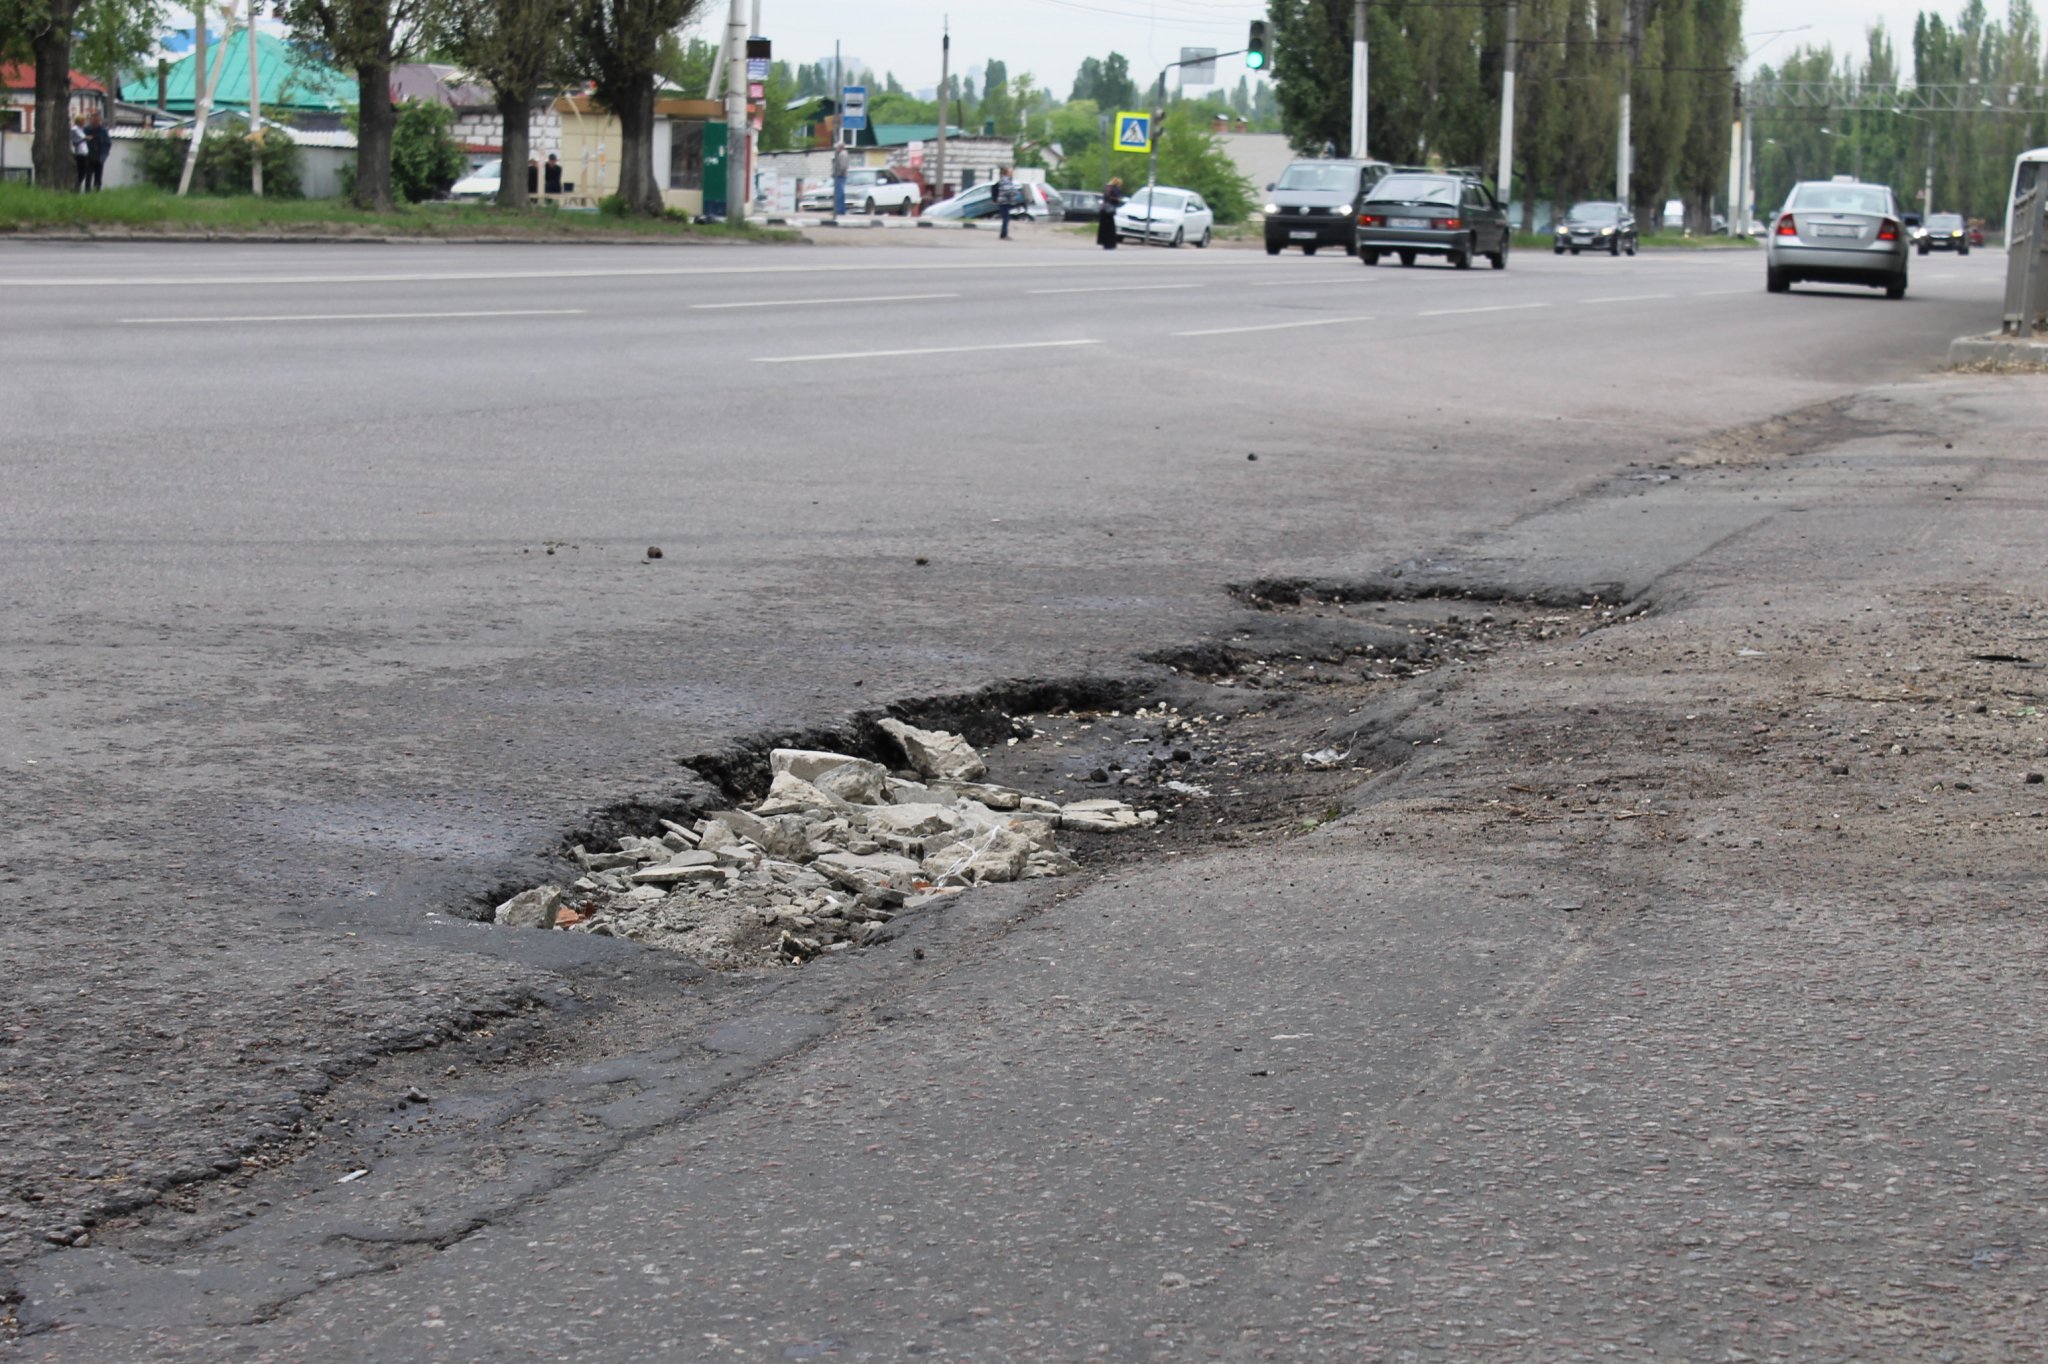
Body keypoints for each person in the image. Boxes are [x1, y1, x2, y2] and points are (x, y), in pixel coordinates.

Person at [83, 114, 109, 191]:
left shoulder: (103, 131)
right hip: (89, 156)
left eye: (97, 120)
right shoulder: (86, 130)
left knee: (98, 176)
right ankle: (87, 192)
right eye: (94, 120)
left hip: (99, 157)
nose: (95, 122)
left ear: (100, 120)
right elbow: (81, 140)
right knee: (88, 176)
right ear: (91, 120)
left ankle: (97, 192)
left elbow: (107, 143)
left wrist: (105, 154)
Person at [1097, 176, 1125, 249]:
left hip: (1106, 210)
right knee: (1108, 228)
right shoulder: (1110, 188)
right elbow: (1108, 196)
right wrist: (1116, 199)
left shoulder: (1110, 188)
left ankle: (1108, 243)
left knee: (1108, 228)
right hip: (1107, 210)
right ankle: (1108, 243)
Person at [994, 166, 1017, 239]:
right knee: (1006, 218)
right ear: (1007, 173)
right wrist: (1015, 192)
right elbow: (1007, 191)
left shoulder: (1008, 180)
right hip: (1004, 201)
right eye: (1010, 172)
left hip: (1006, 201)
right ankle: (1003, 234)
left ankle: (1004, 234)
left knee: (1006, 218)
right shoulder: (1005, 180)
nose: (1012, 173)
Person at [71, 117, 91, 191]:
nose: (85, 123)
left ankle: (78, 187)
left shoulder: (81, 129)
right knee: (81, 172)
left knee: (83, 172)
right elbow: (75, 141)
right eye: (84, 121)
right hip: (79, 153)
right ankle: (77, 187)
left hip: (84, 152)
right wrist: (85, 138)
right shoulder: (75, 129)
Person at [831, 141, 849, 216]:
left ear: (840, 147)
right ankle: (840, 210)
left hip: (840, 177)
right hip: (840, 176)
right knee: (839, 194)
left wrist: (838, 174)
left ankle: (839, 210)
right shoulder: (841, 154)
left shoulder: (843, 154)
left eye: (837, 147)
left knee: (839, 194)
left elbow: (843, 167)